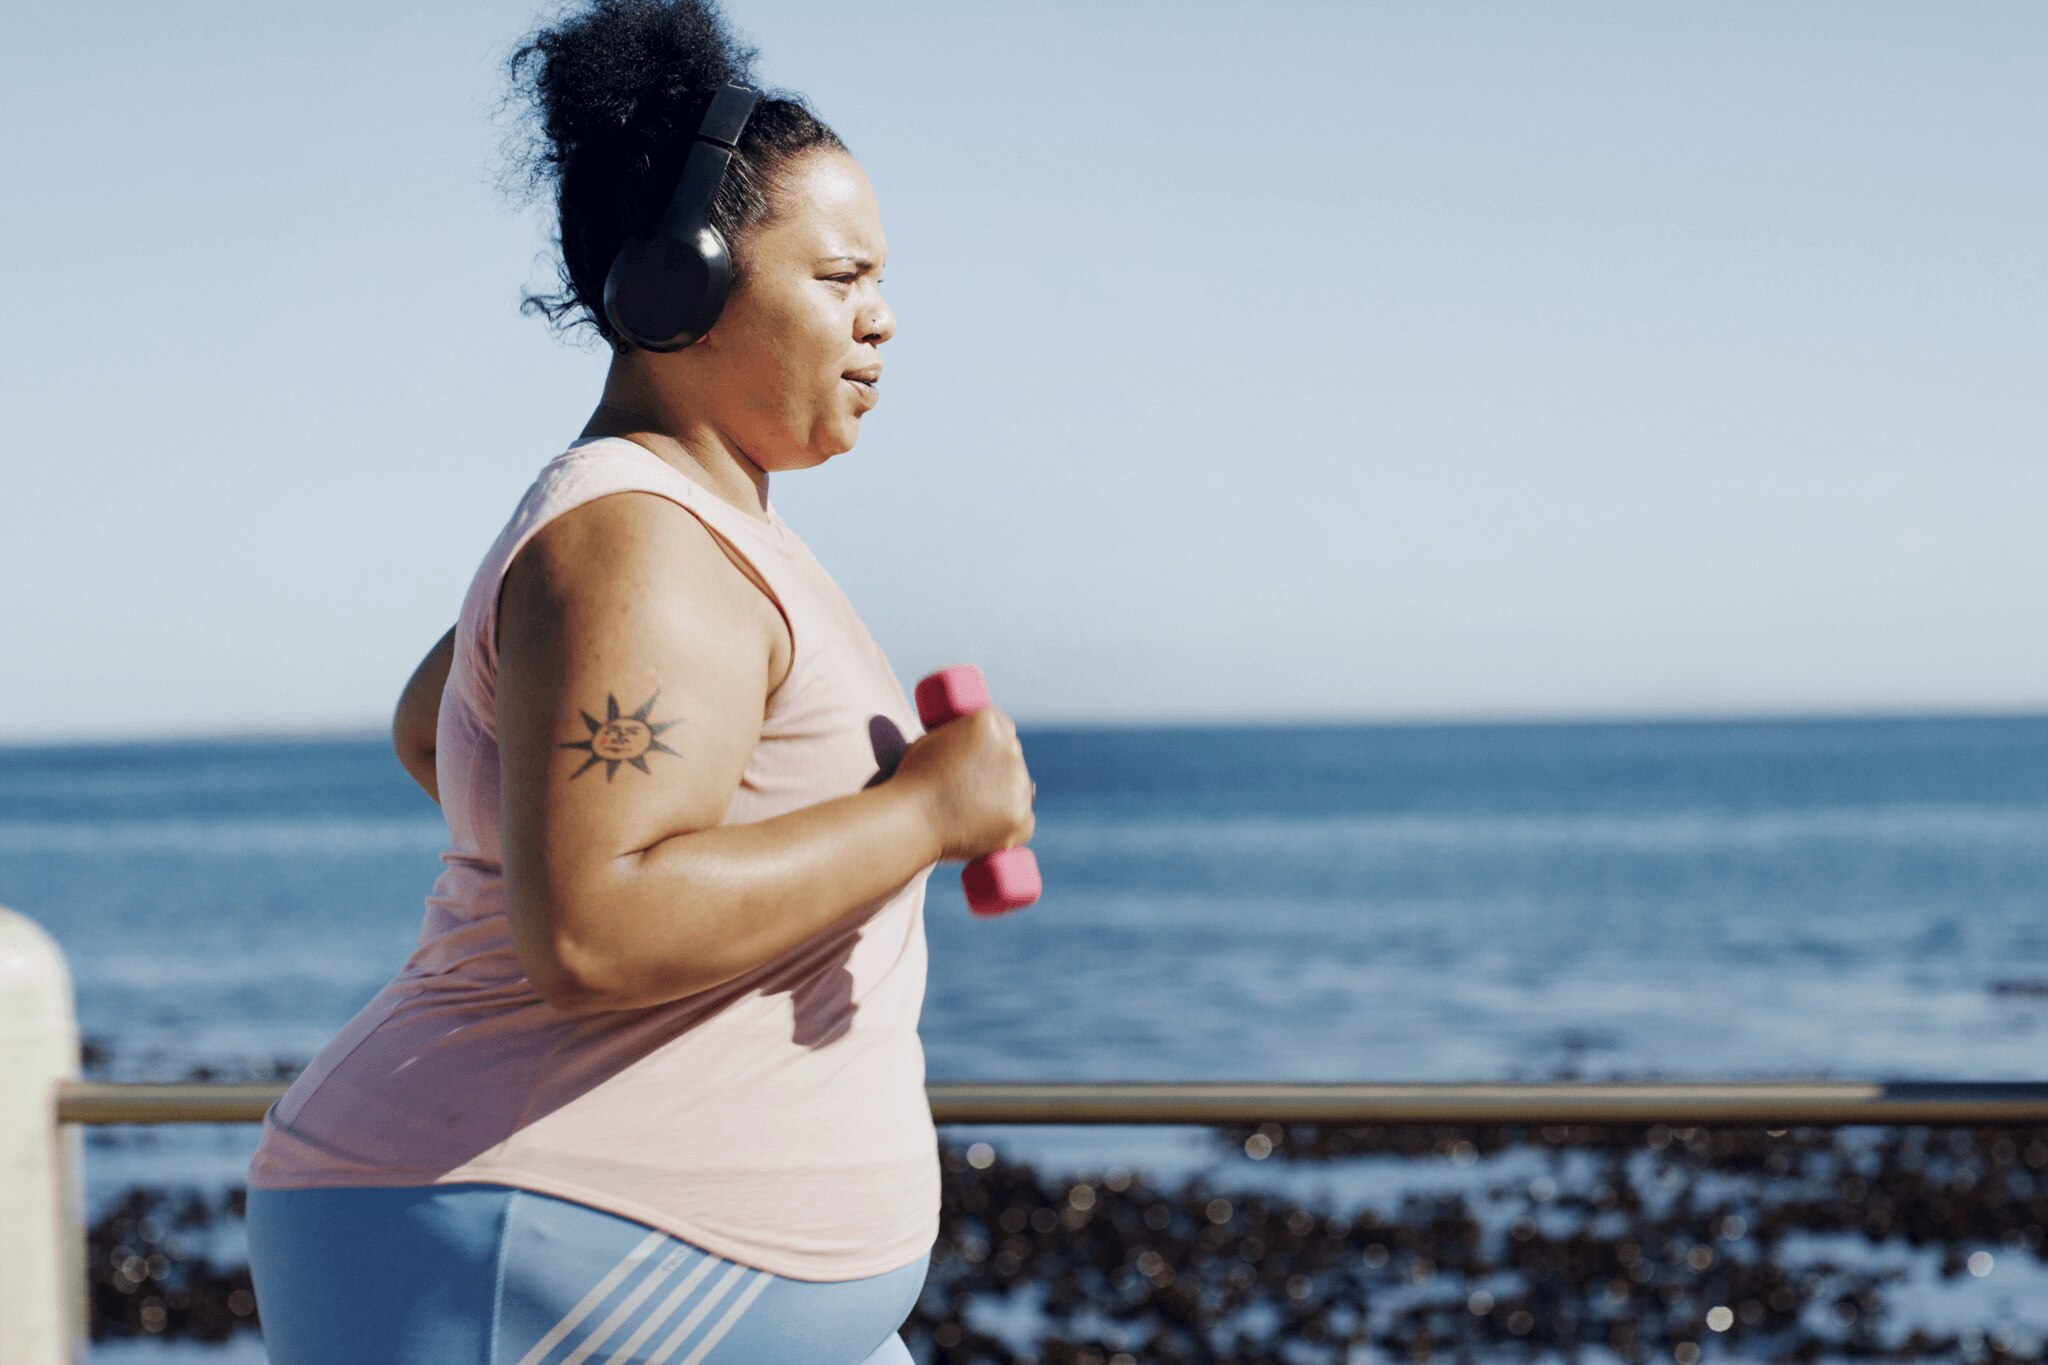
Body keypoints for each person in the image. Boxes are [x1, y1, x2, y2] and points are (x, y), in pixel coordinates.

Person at [241, 2, 1036, 1360]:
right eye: (841, 277)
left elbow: (435, 724)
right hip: (529, 1247)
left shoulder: (669, 528)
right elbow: (596, 929)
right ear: (681, 281)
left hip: (618, 1261)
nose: (884, 320)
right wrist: (926, 814)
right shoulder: (638, 542)